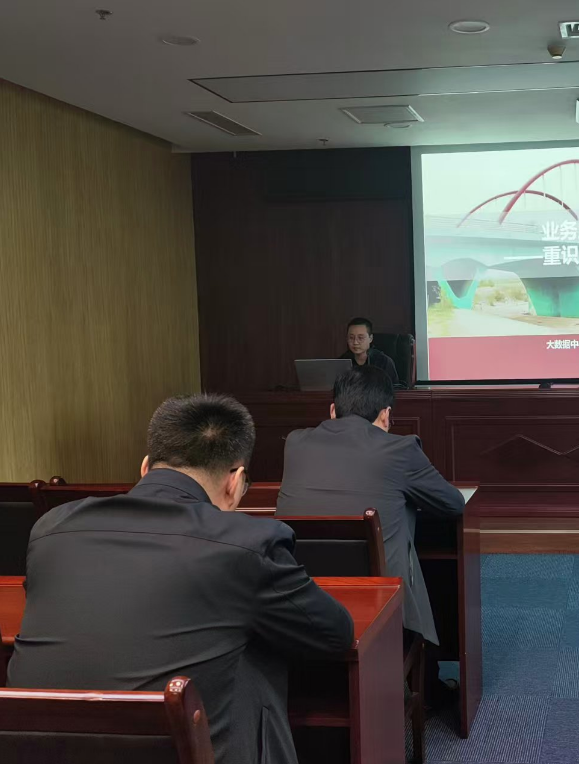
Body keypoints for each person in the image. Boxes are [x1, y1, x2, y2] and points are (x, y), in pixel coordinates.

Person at [7, 394, 354, 764]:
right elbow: (334, 633)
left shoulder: (51, 529)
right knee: (255, 654)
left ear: (145, 467)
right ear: (235, 481)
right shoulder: (246, 543)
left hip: (34, 753)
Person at [277, 367, 464, 646]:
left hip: (302, 602)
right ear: (386, 414)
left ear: (332, 410)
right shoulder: (399, 450)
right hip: (378, 606)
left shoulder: (295, 444)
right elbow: (453, 504)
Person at [339, 316, 400, 386]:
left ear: (370, 338)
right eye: (351, 338)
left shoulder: (384, 362)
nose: (355, 342)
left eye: (360, 338)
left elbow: (395, 389)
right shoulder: (341, 361)